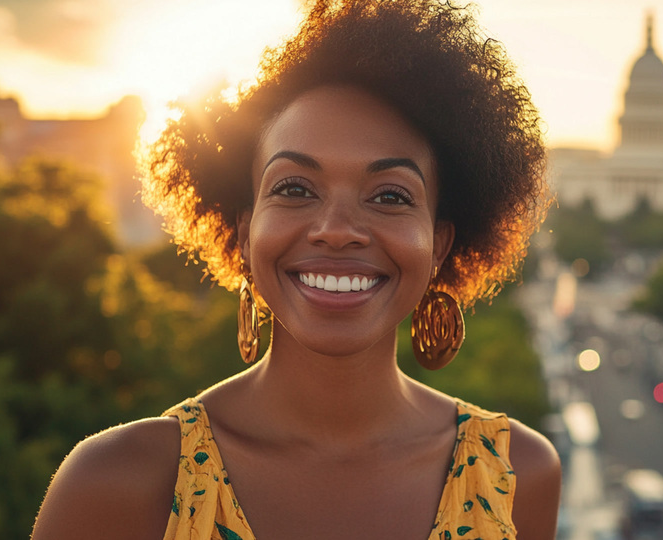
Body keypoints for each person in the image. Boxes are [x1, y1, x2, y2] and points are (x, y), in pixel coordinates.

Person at [32, 0, 560, 538]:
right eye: (294, 188)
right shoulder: (117, 484)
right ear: (243, 232)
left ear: (440, 246)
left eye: (390, 196)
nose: (337, 228)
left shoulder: (518, 476)